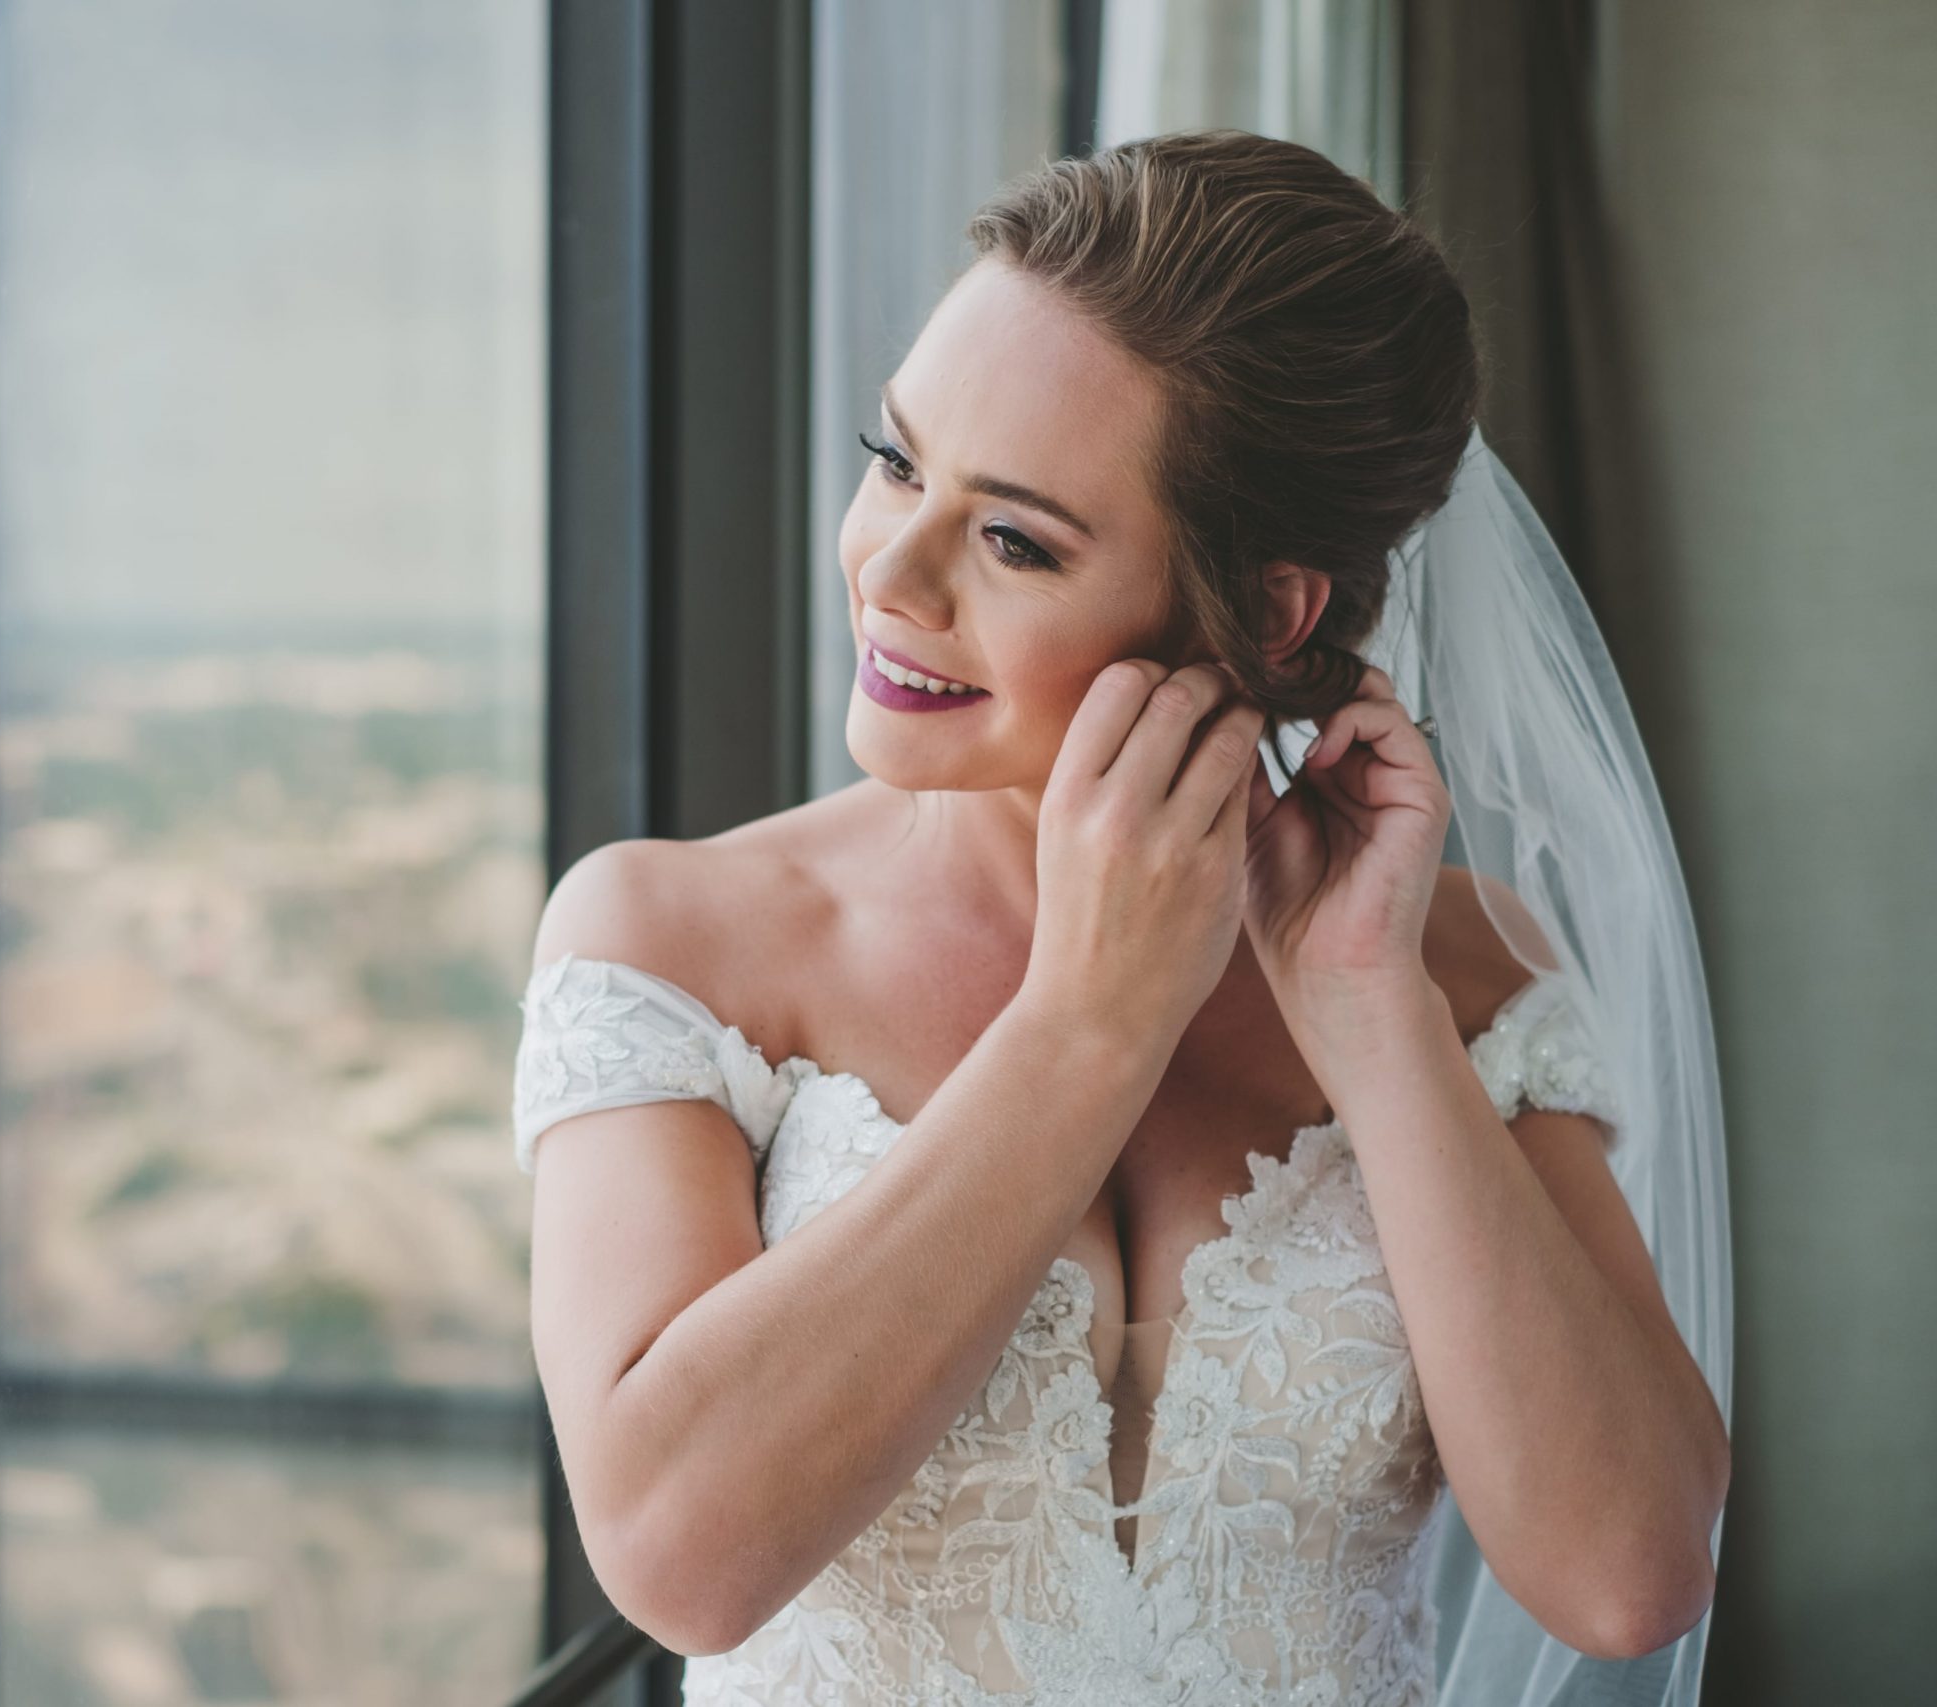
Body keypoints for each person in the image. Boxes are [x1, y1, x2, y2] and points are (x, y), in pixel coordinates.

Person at [510, 131, 1731, 1706]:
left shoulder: (1455, 968)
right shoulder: (678, 939)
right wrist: (1086, 1023)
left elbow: (1627, 1577)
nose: (893, 568)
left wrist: (1371, 1012)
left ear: (1273, 608)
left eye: (1013, 540)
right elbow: (681, 1561)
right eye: (896, 463)